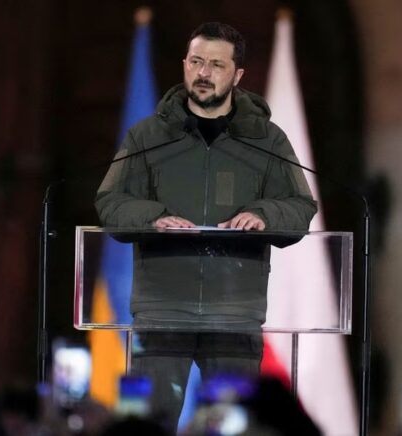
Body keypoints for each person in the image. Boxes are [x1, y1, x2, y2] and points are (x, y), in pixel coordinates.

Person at [94, 22, 317, 426]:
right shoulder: (148, 136)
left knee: (234, 426)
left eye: (216, 64)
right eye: (196, 62)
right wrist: (152, 218)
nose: (203, 73)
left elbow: (301, 206)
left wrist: (265, 214)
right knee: (147, 427)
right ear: (184, 64)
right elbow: (110, 202)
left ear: (237, 75)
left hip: (234, 314)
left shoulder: (267, 140)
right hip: (162, 313)